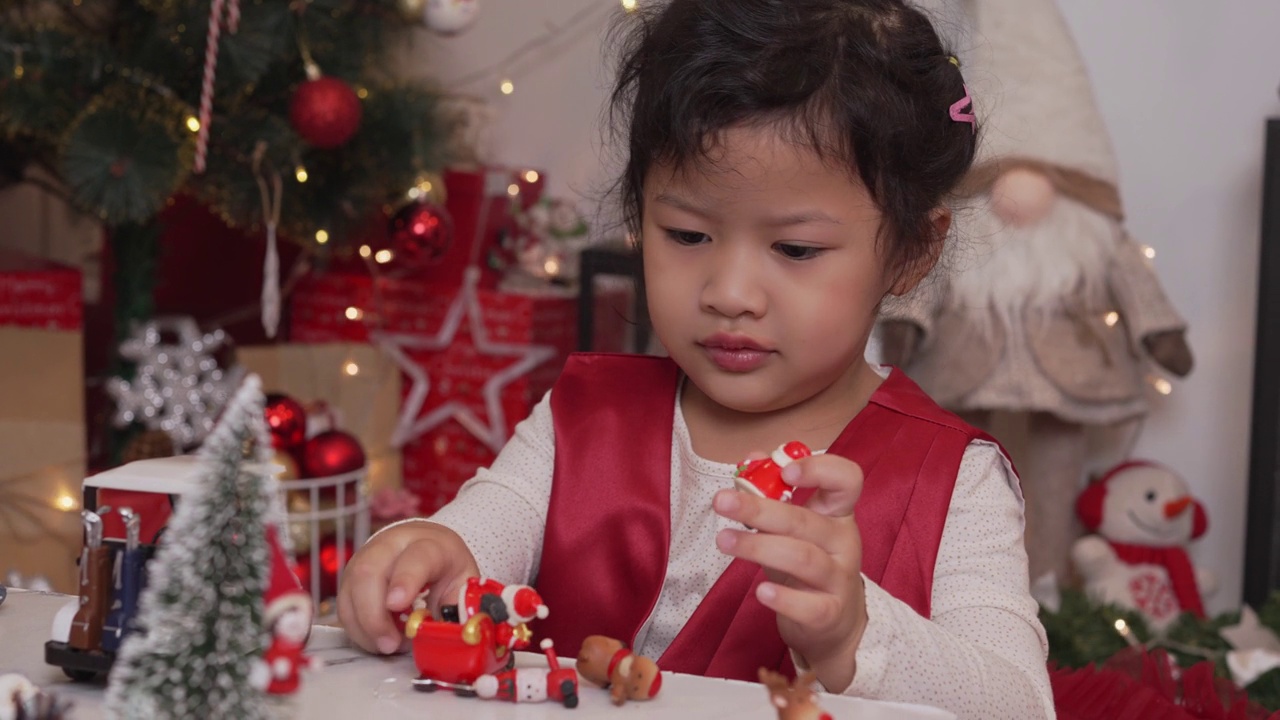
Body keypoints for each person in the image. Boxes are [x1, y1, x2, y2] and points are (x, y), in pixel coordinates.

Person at [339, 1, 1054, 717]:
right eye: (685, 234)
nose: (729, 293)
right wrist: (416, 552)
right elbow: (472, 538)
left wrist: (856, 635)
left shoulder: (955, 480)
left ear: (912, 252)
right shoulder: (585, 416)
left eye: (796, 250)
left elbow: (1020, 703)